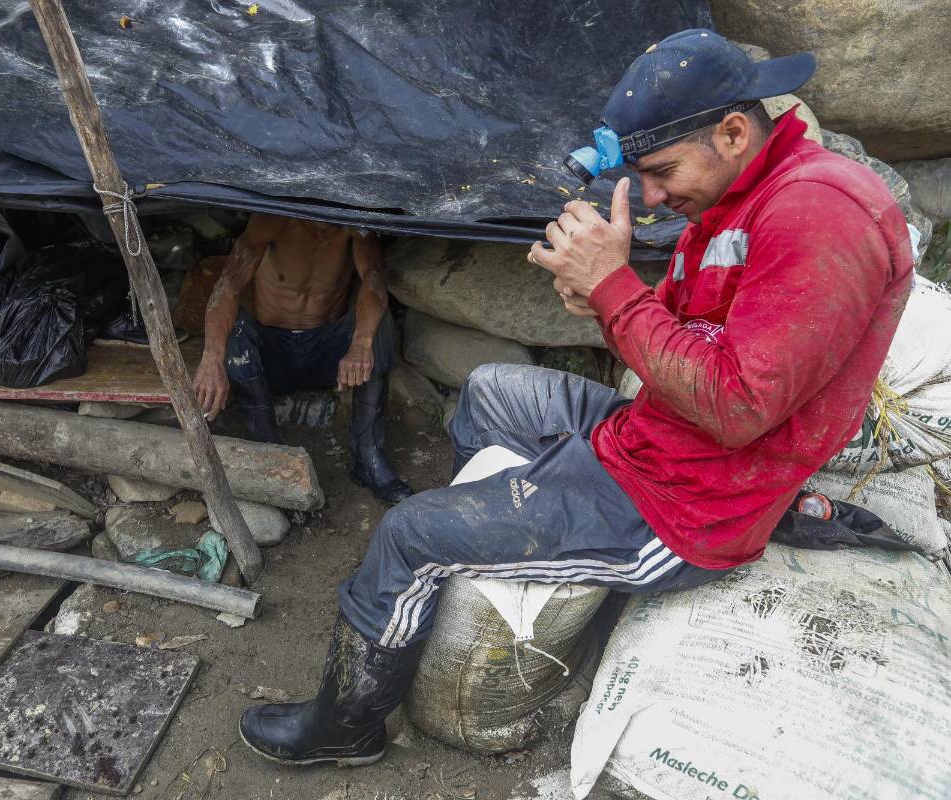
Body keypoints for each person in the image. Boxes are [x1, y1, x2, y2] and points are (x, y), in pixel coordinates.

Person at [238, 29, 914, 766]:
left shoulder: (817, 215)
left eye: (661, 171)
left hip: (690, 499)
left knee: (408, 533)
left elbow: (740, 406)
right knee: (493, 393)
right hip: (663, 432)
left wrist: (614, 289)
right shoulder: (739, 199)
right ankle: (518, 530)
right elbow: (690, 344)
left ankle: (347, 727)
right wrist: (602, 300)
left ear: (732, 131)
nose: (653, 196)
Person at [192, 214, 413, 504]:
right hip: (274, 356)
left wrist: (360, 344)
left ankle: (368, 456)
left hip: (326, 353)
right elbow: (228, 285)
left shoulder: (353, 226)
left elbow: (373, 280)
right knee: (235, 331)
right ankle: (269, 452)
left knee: (378, 325)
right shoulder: (269, 221)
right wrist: (211, 358)